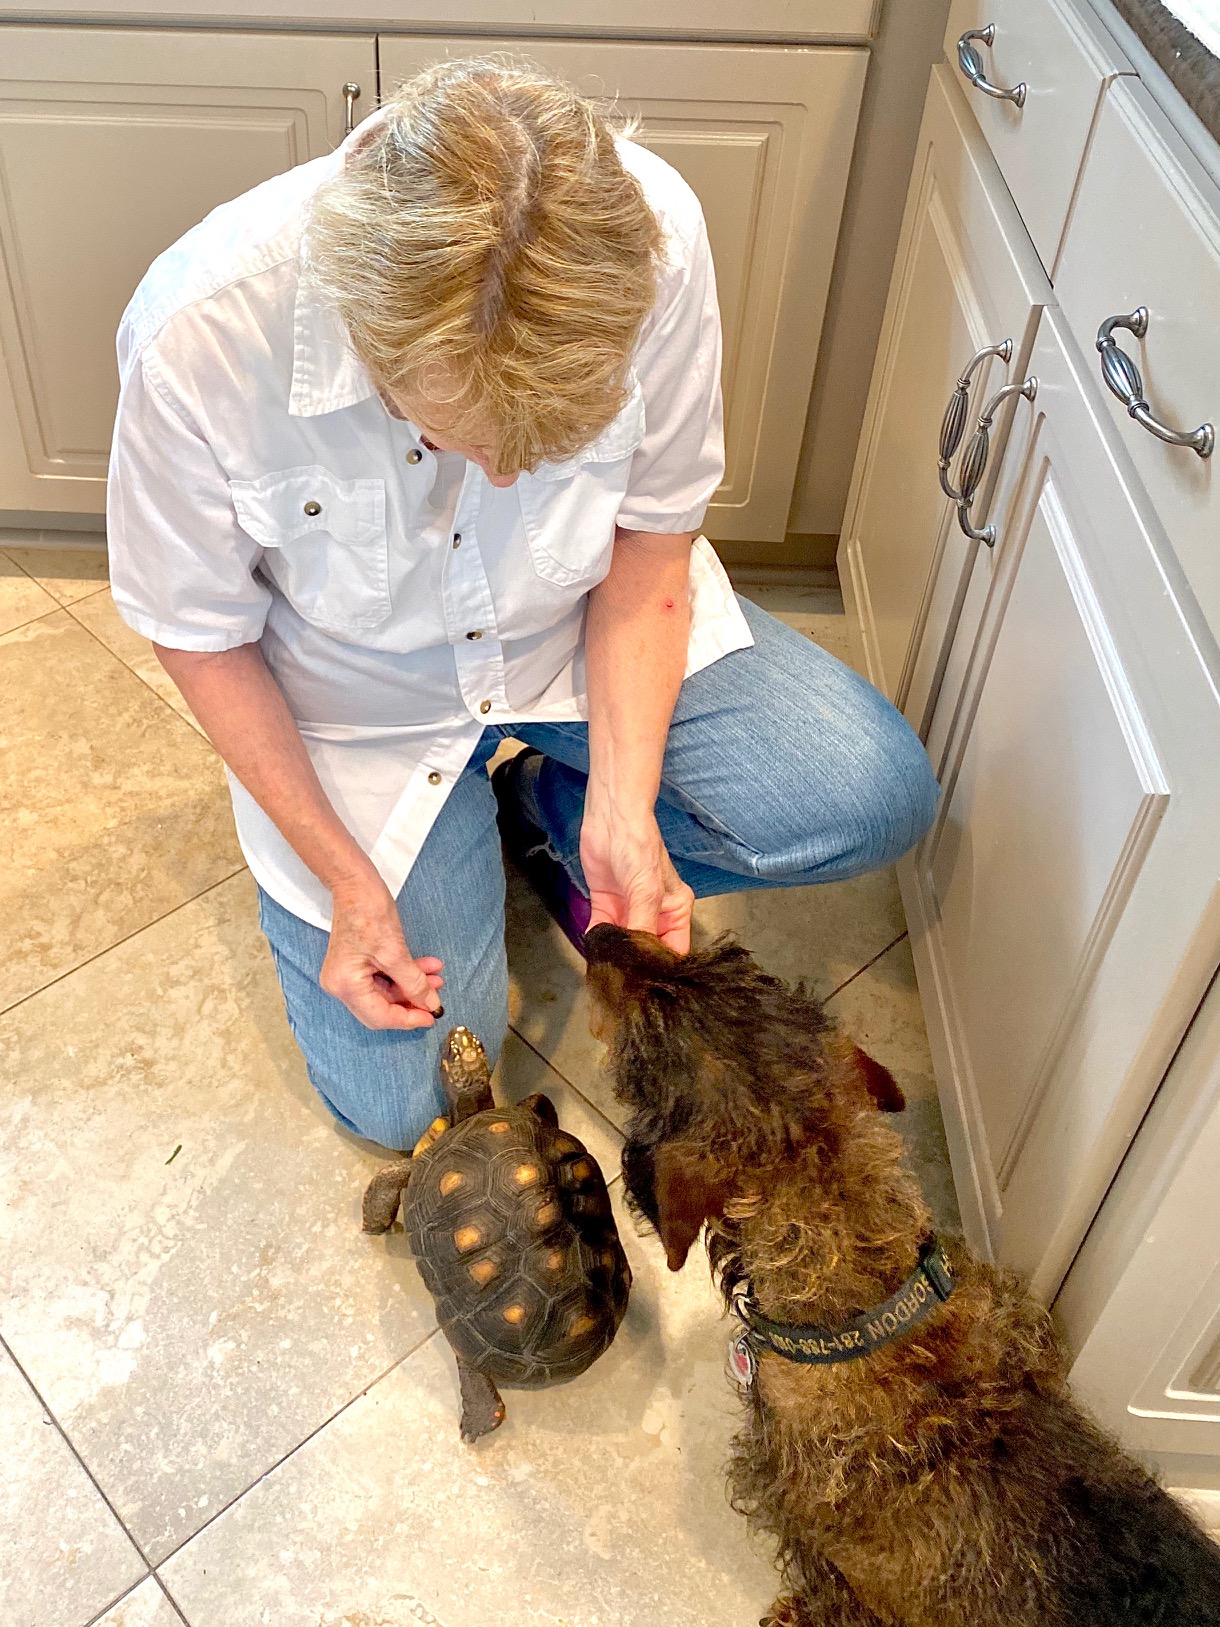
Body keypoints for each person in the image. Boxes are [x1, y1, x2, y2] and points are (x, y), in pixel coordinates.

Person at [107, 58, 938, 1153]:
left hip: (575, 635)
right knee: (411, 1107)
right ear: (366, 335)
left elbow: (648, 545)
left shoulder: (656, 240)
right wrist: (348, 882)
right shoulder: (200, 334)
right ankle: (439, 837)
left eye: (547, 446)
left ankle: (554, 811)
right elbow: (201, 636)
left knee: (869, 796)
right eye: (461, 440)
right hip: (360, 708)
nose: (503, 481)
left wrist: (626, 808)